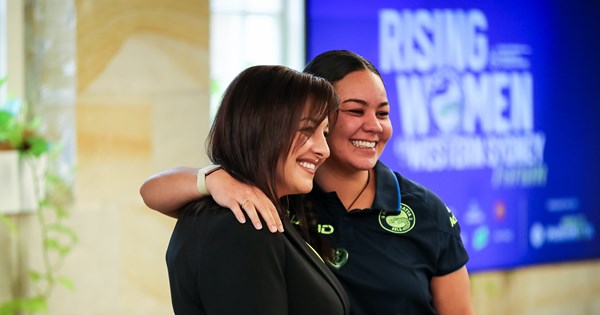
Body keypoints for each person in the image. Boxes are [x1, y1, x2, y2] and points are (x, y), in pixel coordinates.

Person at [140, 51, 474, 315]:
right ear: (270, 127)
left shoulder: (424, 210)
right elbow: (152, 191)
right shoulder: (258, 207)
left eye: (383, 113)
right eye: (355, 111)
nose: (373, 126)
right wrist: (213, 180)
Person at [160, 65, 349, 314]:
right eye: (307, 130)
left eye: (324, 133)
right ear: (262, 127)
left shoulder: (254, 215)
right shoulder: (241, 226)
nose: (324, 150)